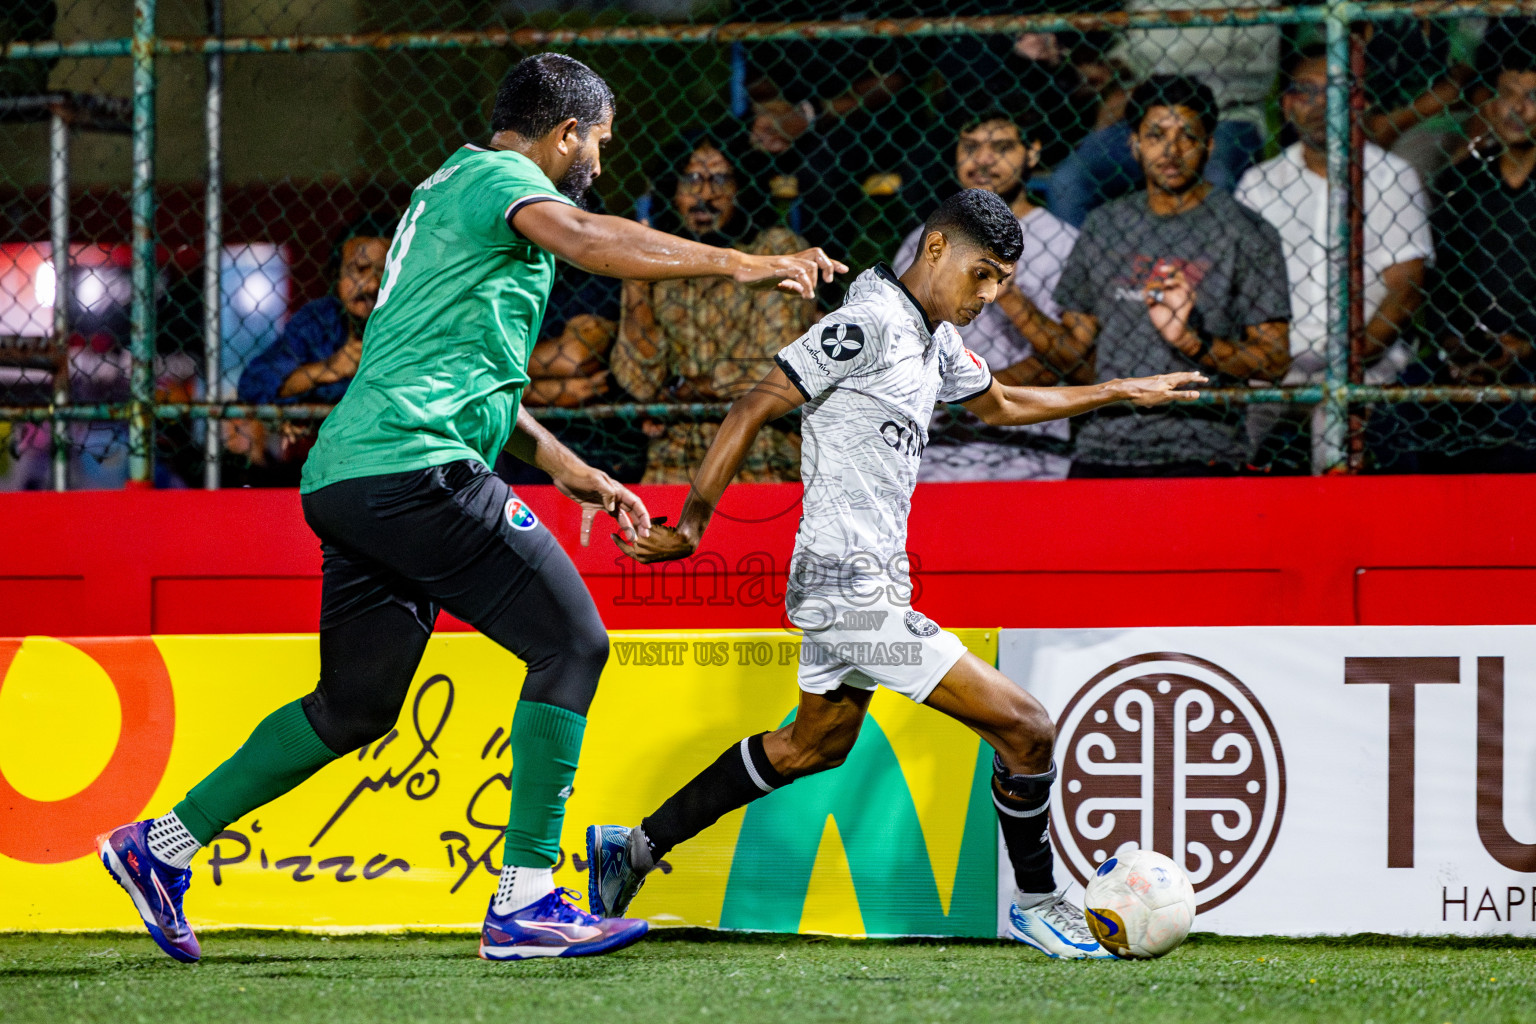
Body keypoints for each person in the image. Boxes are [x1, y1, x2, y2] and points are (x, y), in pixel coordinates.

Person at [96, 52, 844, 965]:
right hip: (417, 469)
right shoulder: (502, 180)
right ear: (564, 134)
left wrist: (567, 465)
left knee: (355, 705)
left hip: (352, 475)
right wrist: (744, 266)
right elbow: (587, 238)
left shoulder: (449, 186)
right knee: (572, 641)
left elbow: (455, 366)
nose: (601, 165)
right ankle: (527, 898)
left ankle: (160, 846)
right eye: (598, 144)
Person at [583, 189, 1204, 959]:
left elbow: (1003, 403)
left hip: (866, 585)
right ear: (936, 250)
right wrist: (694, 525)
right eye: (983, 277)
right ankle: (1039, 903)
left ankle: (633, 847)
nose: (991, 297)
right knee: (1028, 728)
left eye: (1004, 283)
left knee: (814, 745)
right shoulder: (868, 323)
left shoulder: (931, 336)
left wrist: (1116, 391)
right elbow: (753, 405)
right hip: (846, 588)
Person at [1010, 75, 1291, 476]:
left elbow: (1274, 361)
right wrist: (1011, 298)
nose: (1171, 151)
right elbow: (1072, 353)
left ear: (1209, 145)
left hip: (1201, 447)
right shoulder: (1105, 225)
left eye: (1187, 137)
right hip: (1104, 448)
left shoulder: (1245, 232)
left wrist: (1195, 344)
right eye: (1156, 135)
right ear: (1134, 143)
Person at [1235, 44, 1432, 474]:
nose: (1320, 105)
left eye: (1335, 92)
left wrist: (1352, 362)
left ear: (1359, 102)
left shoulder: (1391, 176)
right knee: (1229, 441)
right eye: (1307, 92)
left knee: (1336, 436)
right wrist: (1260, 355)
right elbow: (1239, 284)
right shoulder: (1258, 183)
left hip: (1368, 358)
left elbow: (1406, 287)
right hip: (1276, 358)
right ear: (1287, 105)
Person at [612, 134, 816, 484]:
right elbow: (640, 380)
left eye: (720, 180)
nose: (705, 195)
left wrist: (682, 390)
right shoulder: (662, 266)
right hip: (677, 456)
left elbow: (774, 369)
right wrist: (635, 282)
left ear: (743, 188)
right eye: (691, 180)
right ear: (671, 190)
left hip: (760, 447)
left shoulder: (775, 249)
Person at [894, 109, 1080, 480]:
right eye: (970, 147)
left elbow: (1068, 360)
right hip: (930, 448)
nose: (982, 160)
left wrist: (969, 396)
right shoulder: (923, 240)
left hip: (1027, 447)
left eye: (1001, 147)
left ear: (1032, 153)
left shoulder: (1063, 242)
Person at [1046, 0, 1278, 228]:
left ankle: (1198, 264)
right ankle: (1084, 264)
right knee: (1068, 181)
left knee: (1214, 177)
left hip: (1224, 115)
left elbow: (1254, 60)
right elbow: (1134, 50)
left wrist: (1167, 77)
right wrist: (1112, 68)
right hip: (1150, 115)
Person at [1422, 31, 1536, 471]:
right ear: (1489, 102)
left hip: (1528, 355)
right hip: (1472, 353)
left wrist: (1523, 346)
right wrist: (1459, 347)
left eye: (1531, 97)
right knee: (1408, 416)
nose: (1517, 109)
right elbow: (1441, 280)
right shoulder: (1462, 182)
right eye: (1507, 94)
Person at [234, 215, 394, 482]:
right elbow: (254, 385)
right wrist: (329, 369)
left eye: (385, 273)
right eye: (360, 270)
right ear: (336, 275)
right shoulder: (319, 321)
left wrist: (309, 402)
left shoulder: (415, 323)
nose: (372, 285)